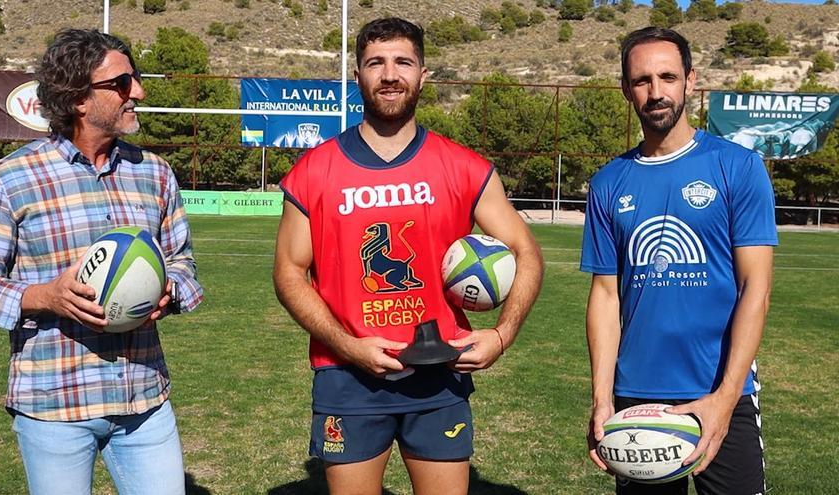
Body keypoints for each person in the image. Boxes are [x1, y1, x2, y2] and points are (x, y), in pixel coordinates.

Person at [273, 17, 543, 495]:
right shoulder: (314, 171)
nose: (390, 74)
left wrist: (503, 336)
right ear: (357, 76)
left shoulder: (464, 167)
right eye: (376, 63)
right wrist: (347, 344)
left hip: (440, 374)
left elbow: (526, 250)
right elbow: (289, 274)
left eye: (403, 62)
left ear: (423, 75)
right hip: (347, 375)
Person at [0, 29, 203, 494]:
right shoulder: (10, 179)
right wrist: (43, 296)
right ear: (77, 99)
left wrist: (169, 291)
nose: (139, 93)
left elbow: (184, 264)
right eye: (122, 83)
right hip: (54, 405)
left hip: (144, 401)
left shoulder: (154, 172)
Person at [581, 27, 777, 495]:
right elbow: (606, 297)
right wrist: (602, 398)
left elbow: (757, 289)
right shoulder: (609, 183)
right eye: (642, 80)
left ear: (690, 81)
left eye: (667, 76)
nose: (656, 91)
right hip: (636, 399)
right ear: (626, 89)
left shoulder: (737, 167)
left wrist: (726, 398)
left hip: (719, 389)